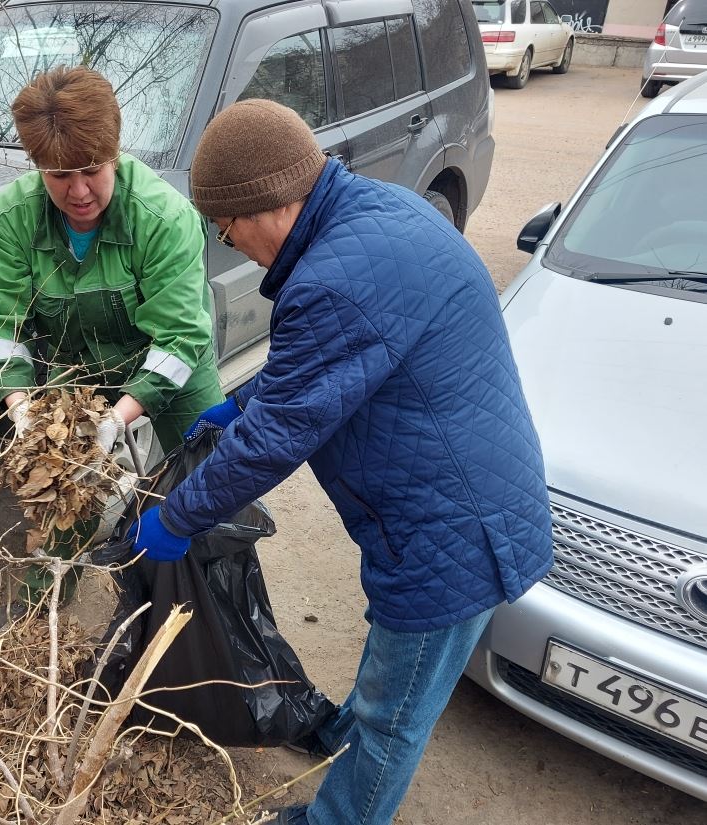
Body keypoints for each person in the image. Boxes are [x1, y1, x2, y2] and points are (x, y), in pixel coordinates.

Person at [127, 99, 554, 825]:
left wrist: (179, 514)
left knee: (397, 714)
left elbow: (274, 442)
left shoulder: (332, 280)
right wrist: (245, 398)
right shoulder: (380, 214)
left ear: (266, 205)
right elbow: (345, 358)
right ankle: (337, 730)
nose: (232, 242)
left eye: (227, 226)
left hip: (454, 536)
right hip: (466, 501)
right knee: (394, 668)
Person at [0, 66, 224, 627]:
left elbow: (180, 337)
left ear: (114, 154)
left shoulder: (163, 217)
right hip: (77, 366)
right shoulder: (11, 218)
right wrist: (21, 408)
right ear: (38, 168)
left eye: (91, 171)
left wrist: (120, 419)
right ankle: (44, 605)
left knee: (209, 483)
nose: (78, 192)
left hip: (168, 364)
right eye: (59, 176)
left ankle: (216, 600)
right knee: (66, 487)